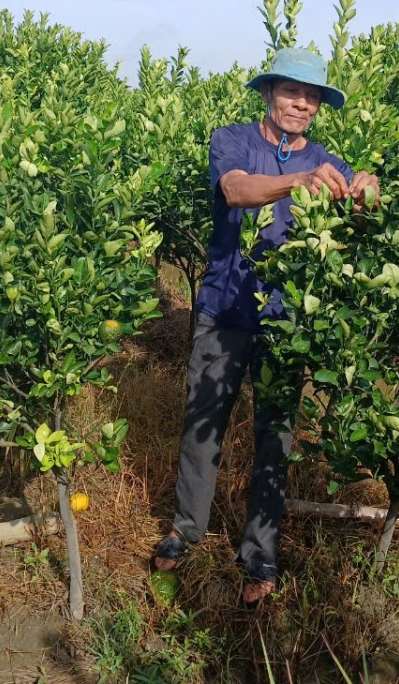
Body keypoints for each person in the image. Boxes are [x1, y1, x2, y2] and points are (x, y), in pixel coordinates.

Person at [151, 47, 380, 606]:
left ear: (319, 106)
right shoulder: (231, 139)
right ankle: (186, 529)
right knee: (203, 428)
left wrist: (367, 192)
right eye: (291, 92)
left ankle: (259, 552)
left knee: (274, 439)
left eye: (311, 97)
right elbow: (236, 190)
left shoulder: (329, 159)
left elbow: (361, 211)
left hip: (285, 324)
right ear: (268, 93)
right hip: (225, 312)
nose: (301, 104)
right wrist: (299, 181)